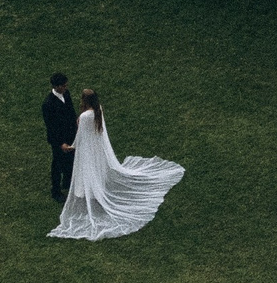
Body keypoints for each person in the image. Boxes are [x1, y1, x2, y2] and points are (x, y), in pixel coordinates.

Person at [50, 89, 186, 241]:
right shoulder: (98, 109)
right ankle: (95, 188)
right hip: (97, 147)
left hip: (88, 148)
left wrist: (71, 146)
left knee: (88, 168)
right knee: (96, 167)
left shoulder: (85, 116)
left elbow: (81, 136)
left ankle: (90, 191)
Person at [42, 73, 76, 203]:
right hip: (58, 140)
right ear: (56, 86)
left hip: (70, 135)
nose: (66, 88)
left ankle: (67, 182)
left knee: (70, 160)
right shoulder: (48, 104)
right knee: (57, 164)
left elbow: (71, 112)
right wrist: (60, 143)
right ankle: (55, 191)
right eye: (64, 86)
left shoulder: (66, 94)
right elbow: (51, 127)